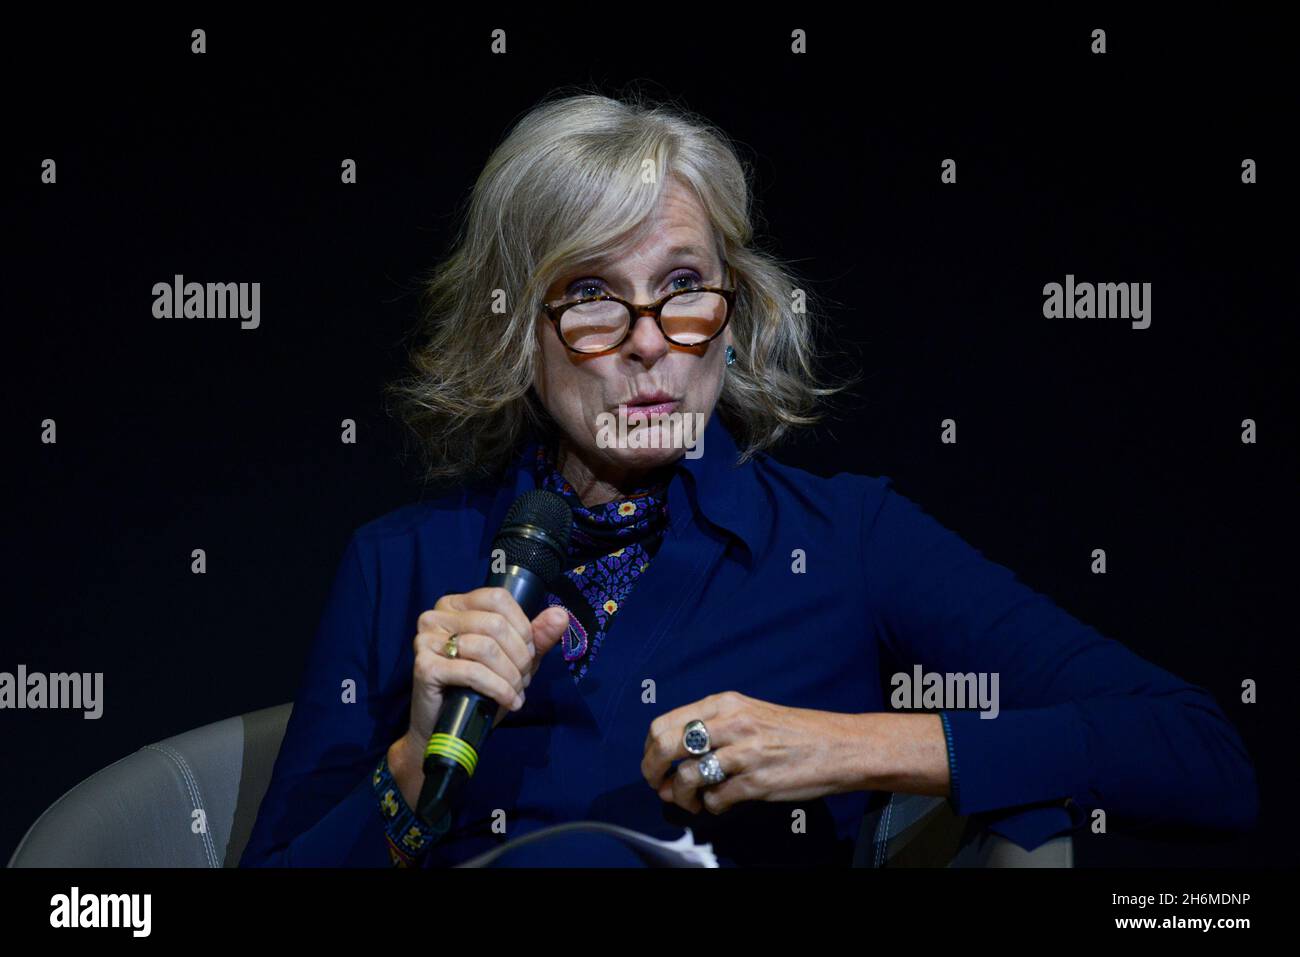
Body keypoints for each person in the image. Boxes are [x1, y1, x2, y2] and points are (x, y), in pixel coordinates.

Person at [239, 90, 1258, 868]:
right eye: (592, 295)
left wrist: (851, 747)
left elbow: (1195, 754)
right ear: (516, 331)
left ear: (737, 308)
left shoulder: (849, 538)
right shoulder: (401, 563)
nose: (651, 346)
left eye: (682, 288)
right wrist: (416, 758)